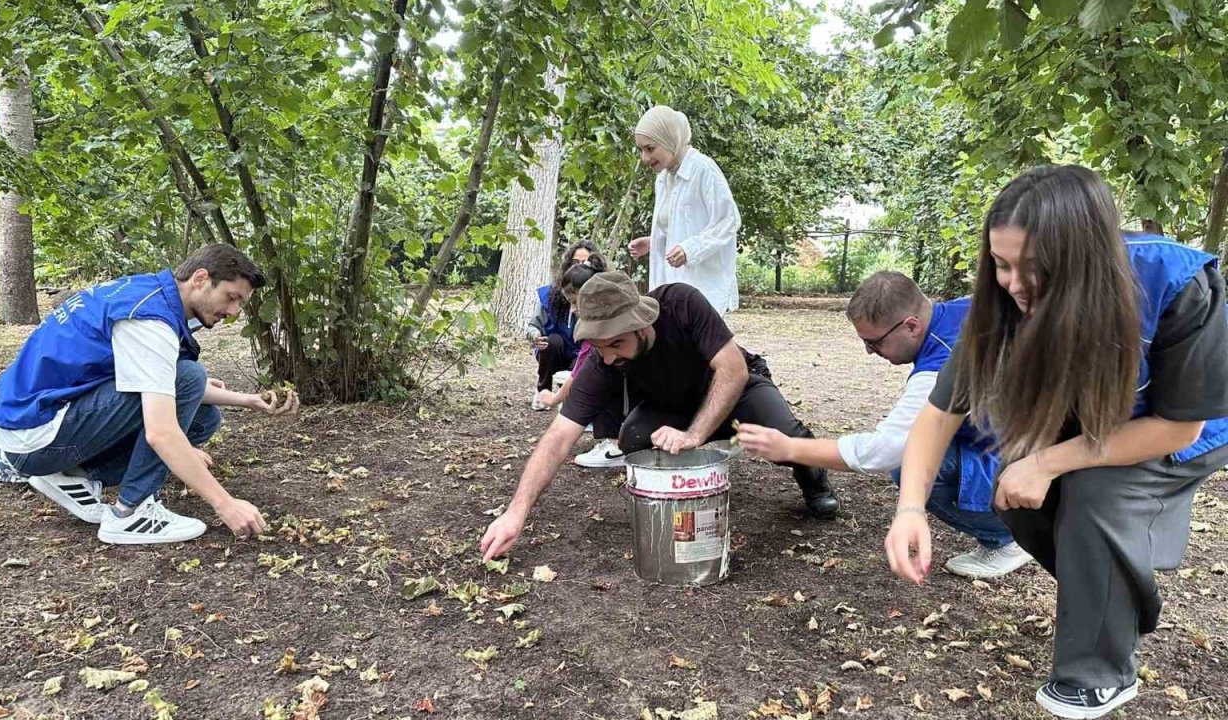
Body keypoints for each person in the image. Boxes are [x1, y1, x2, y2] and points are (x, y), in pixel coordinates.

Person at [884, 165, 1228, 719]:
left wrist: (1049, 459)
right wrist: (910, 509)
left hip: (1184, 430)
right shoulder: (1001, 306)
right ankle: (1112, 592)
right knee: (1014, 490)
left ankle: (1098, 676)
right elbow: (939, 414)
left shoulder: (1176, 282)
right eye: (1001, 264)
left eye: (1035, 268)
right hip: (1093, 423)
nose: (1015, 285)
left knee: (1095, 494)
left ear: (1084, 255)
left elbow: (1178, 426)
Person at [480, 271, 836, 562]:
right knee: (633, 439)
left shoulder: (681, 302)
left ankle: (814, 480)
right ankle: (689, 492)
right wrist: (516, 511)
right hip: (671, 404)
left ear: (643, 323)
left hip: (737, 387)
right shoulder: (604, 361)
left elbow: (732, 368)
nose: (608, 358)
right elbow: (558, 438)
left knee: (789, 439)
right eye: (600, 348)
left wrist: (695, 435)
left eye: (617, 344)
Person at [0, 244, 300, 545]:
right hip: (36, 436)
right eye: (231, 298)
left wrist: (249, 400)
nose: (233, 311)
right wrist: (225, 503)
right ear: (201, 278)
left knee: (204, 419)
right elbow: (162, 430)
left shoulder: (148, 293)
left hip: (36, 426)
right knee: (189, 377)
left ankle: (75, 475)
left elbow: (159, 382)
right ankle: (131, 513)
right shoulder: (149, 321)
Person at [736, 271, 1031, 579]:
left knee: (910, 465)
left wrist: (791, 447)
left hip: (1023, 455)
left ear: (911, 325)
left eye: (874, 343)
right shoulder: (967, 309)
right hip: (1017, 433)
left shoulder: (939, 367)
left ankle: (1005, 539)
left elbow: (886, 449)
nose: (869, 351)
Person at [627, 106, 740, 316]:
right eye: (641, 150)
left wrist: (690, 249)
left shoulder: (703, 169)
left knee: (699, 347)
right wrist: (654, 242)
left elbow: (728, 221)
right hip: (670, 288)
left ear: (670, 139)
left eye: (650, 148)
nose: (644, 158)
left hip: (702, 289)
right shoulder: (664, 177)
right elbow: (680, 225)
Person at [534, 261, 627, 468]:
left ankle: (614, 445)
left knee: (602, 376)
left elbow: (578, 376)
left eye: (577, 302)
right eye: (571, 303)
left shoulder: (598, 330)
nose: (574, 309)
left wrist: (553, 399)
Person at [525, 241, 600, 410]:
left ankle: (576, 399)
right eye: (575, 263)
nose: (579, 268)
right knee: (551, 341)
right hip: (556, 351)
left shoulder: (601, 297)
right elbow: (532, 325)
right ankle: (542, 392)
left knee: (588, 357)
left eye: (585, 263)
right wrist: (535, 336)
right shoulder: (550, 294)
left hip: (583, 353)